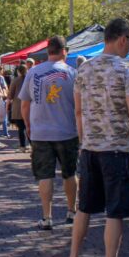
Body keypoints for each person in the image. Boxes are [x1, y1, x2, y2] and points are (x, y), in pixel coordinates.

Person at [65, 20, 129, 257]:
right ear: (123, 39)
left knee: (84, 207)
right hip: (118, 149)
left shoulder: (84, 69)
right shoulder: (127, 70)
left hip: (90, 148)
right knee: (115, 211)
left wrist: (84, 140)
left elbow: (78, 112)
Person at [20, 36, 79, 230]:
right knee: (69, 173)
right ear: (64, 51)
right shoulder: (72, 73)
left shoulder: (33, 72)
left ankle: (47, 217)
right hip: (67, 132)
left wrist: (28, 125)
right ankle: (71, 211)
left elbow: (25, 103)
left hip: (40, 133)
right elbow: (80, 107)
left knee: (45, 175)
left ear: (48, 51)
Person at [7, 64, 29, 153]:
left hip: (18, 107)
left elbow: (10, 95)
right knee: (29, 127)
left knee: (21, 128)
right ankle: (32, 146)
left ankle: (22, 146)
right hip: (30, 107)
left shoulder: (15, 80)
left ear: (18, 71)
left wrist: (7, 105)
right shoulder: (30, 80)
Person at [0, 66, 12, 138]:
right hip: (1, 98)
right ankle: (5, 132)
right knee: (4, 116)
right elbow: (5, 88)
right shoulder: (0, 77)